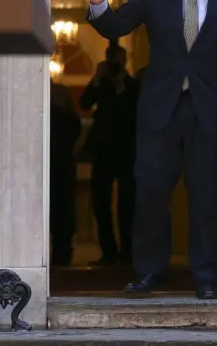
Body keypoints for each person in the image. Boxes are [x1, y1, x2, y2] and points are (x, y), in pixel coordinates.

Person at [83, 0, 217, 300]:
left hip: (208, 111)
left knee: (206, 196)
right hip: (160, 110)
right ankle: (149, 272)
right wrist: (99, 2)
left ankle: (207, 276)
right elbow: (117, 24)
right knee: (150, 193)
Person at [79, 41, 139, 266]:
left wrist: (119, 87)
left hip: (127, 150)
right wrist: (96, 78)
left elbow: (135, 112)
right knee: (100, 200)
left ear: (126, 61)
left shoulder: (133, 86)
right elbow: (84, 104)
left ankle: (127, 249)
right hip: (103, 149)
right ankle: (108, 249)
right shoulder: (99, 85)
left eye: (118, 60)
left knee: (127, 202)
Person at [49, 81, 82, 267]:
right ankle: (63, 253)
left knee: (60, 212)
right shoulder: (70, 118)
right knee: (64, 212)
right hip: (63, 169)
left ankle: (61, 253)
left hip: (55, 169)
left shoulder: (57, 117)